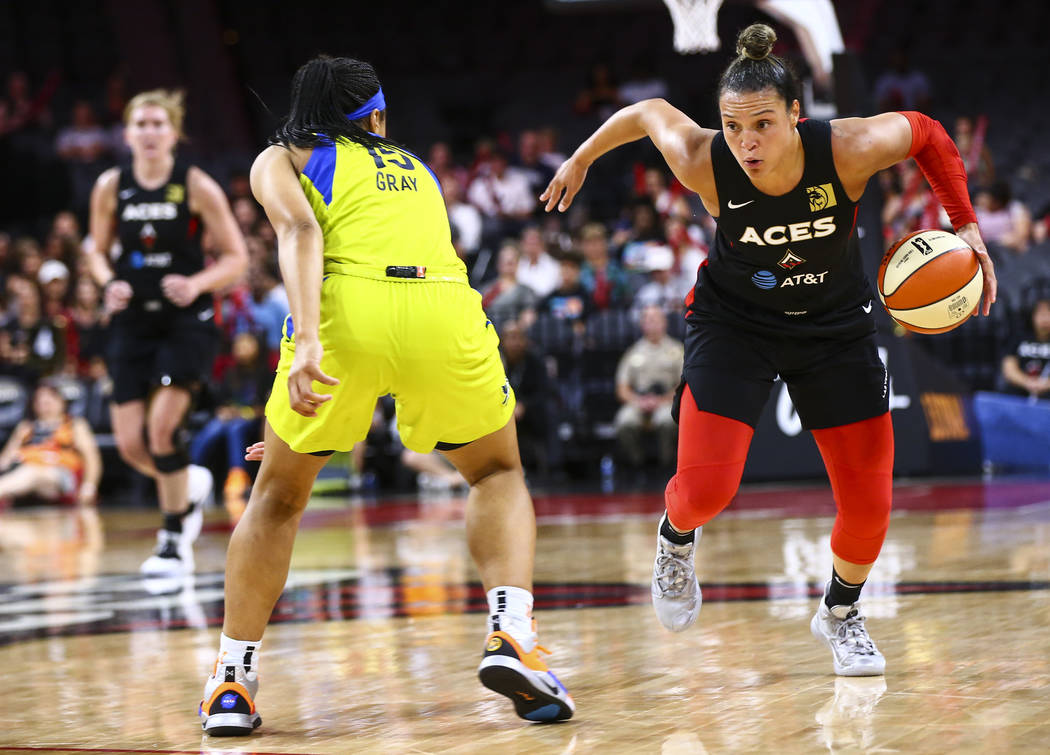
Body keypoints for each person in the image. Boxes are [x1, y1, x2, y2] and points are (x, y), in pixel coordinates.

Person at [541, 23, 996, 677]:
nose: (746, 142)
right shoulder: (703, 159)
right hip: (736, 322)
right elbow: (646, 113)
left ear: (795, 115)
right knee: (704, 490)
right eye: (732, 126)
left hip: (834, 326)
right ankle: (674, 541)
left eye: (762, 125)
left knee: (869, 507)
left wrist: (965, 226)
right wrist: (582, 157)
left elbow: (926, 132)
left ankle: (840, 613)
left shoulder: (846, 149)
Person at [198, 56, 573, 737]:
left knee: (278, 497)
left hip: (348, 310)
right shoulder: (417, 168)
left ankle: (232, 679)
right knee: (495, 471)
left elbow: (300, 232)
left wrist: (307, 340)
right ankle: (511, 631)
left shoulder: (283, 156)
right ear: (374, 116)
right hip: (442, 305)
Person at [83, 89, 248, 576]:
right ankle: (189, 483)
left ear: (175, 133)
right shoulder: (111, 186)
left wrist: (196, 282)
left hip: (185, 322)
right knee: (133, 444)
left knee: (162, 431)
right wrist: (107, 281)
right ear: (128, 132)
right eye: (141, 124)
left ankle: (174, 540)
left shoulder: (195, 185)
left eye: (159, 124)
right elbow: (96, 250)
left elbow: (237, 258)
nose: (150, 132)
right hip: (134, 321)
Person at [0, 381, 101, 509]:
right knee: (27, 473)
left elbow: (92, 458)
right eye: (40, 400)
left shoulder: (75, 425)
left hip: (60, 476)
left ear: (62, 401)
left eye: (50, 398)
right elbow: (3, 463)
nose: (45, 403)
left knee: (32, 473)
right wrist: (16, 443)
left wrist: (89, 487)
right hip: (22, 475)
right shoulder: (25, 427)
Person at [613, 305, 682, 472]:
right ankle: (638, 465)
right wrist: (638, 401)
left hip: (667, 401)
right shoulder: (633, 351)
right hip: (639, 401)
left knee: (666, 421)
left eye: (654, 319)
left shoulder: (677, 350)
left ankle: (666, 464)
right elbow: (622, 387)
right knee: (624, 421)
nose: (650, 323)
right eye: (646, 319)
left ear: (664, 323)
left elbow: (683, 384)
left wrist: (662, 400)